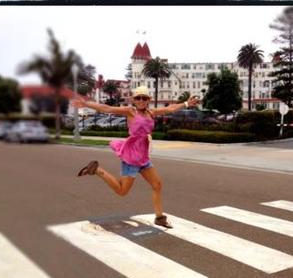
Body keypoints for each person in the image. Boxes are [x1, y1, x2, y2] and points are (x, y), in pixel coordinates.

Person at [71, 86, 200, 228]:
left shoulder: (152, 112)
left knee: (157, 184)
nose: (141, 100)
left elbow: (170, 109)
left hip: (143, 157)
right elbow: (107, 108)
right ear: (134, 100)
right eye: (138, 98)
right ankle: (98, 171)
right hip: (131, 157)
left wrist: (186, 103)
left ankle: (159, 217)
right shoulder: (130, 112)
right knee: (122, 191)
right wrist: (86, 103)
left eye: (144, 98)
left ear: (148, 100)